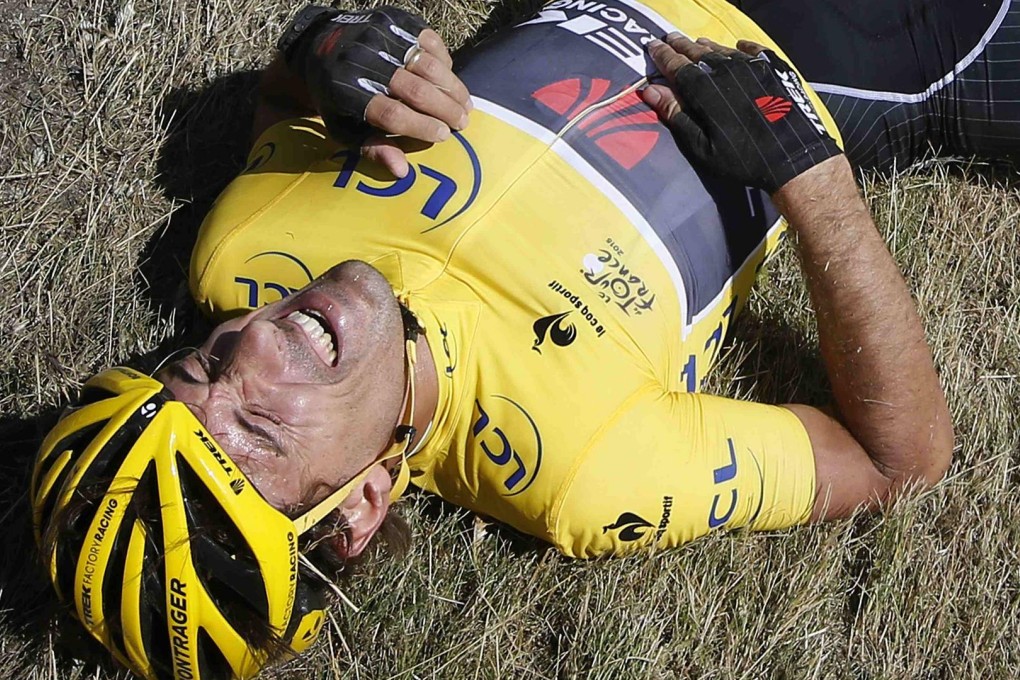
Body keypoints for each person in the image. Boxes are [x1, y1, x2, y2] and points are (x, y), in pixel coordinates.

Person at [36, 0, 1013, 676]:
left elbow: (287, 95)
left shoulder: (245, 249)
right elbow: (902, 459)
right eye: (255, 429)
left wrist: (327, 50)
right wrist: (809, 171)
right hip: (877, 51)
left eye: (200, 363)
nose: (248, 345)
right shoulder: (578, 466)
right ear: (360, 505)